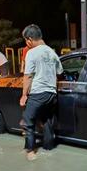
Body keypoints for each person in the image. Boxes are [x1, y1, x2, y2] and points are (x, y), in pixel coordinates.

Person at [20, 24, 63, 161]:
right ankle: (49, 147)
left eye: (26, 41)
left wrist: (24, 95)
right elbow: (59, 72)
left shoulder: (32, 52)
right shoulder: (52, 52)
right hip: (51, 94)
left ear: (30, 39)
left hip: (38, 93)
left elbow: (27, 76)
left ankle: (30, 151)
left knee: (28, 120)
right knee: (46, 120)